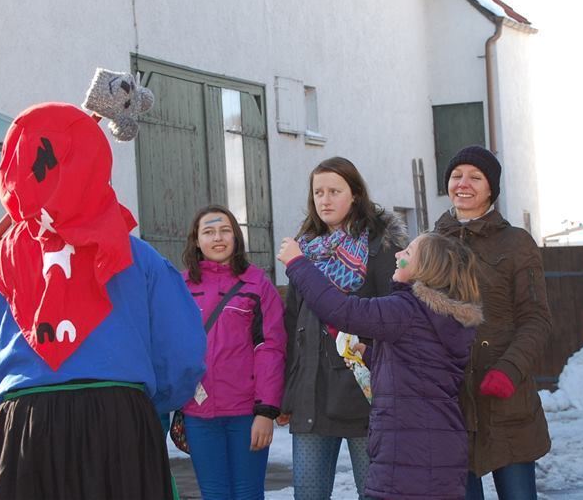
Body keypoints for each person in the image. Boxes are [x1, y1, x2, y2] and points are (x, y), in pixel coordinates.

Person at [0, 102, 206, 500]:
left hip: (25, 428)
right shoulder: (140, 258)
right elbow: (182, 355)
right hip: (119, 424)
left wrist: (30, 394)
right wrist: (146, 404)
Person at [278, 231, 483, 499]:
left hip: (410, 455)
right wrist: (370, 354)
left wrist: (298, 263)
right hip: (436, 448)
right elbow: (421, 367)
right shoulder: (439, 315)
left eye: (407, 253)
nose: (398, 255)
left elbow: (342, 310)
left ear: (427, 270)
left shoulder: (405, 309)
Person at [279, 156, 407, 500]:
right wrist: (287, 391)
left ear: (355, 195)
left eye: (335, 190)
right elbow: (292, 323)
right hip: (311, 392)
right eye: (318, 191)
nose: (325, 199)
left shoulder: (379, 246)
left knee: (377, 493)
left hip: (365, 391)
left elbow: (393, 316)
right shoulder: (303, 249)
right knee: (307, 495)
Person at [433, 145, 551, 500]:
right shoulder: (430, 244)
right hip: (451, 403)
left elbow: (537, 319)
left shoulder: (516, 243)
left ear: (491, 189)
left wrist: (509, 370)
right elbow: (412, 314)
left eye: (475, 177)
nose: (463, 184)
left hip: (507, 402)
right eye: (456, 176)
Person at [179, 205, 287, 500]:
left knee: (248, 494)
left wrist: (266, 411)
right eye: (209, 231)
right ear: (196, 239)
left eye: (225, 230)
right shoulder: (180, 285)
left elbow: (271, 348)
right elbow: (169, 347)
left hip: (246, 414)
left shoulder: (257, 284)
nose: (218, 238)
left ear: (236, 237)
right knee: (214, 494)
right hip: (198, 414)